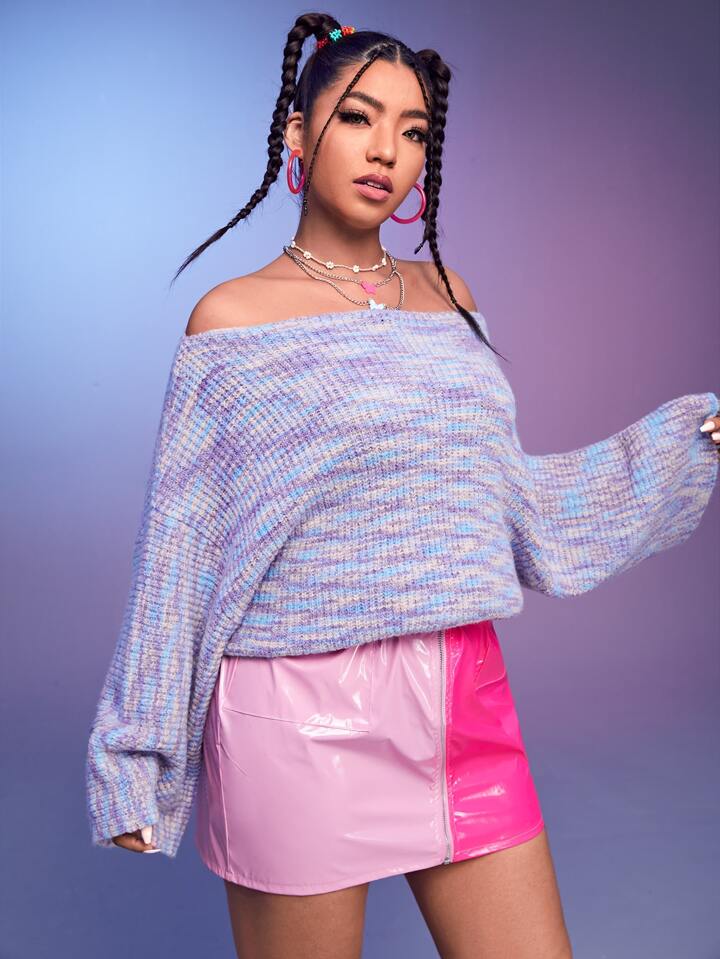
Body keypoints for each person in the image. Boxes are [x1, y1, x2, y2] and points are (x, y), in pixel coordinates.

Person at [85, 14, 720, 959]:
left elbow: (506, 506)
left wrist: (690, 440)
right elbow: (181, 551)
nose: (387, 149)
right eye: (357, 117)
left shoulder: (453, 300)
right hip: (297, 714)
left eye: (413, 130)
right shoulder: (232, 321)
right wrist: (137, 756)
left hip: (462, 694)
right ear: (298, 134)